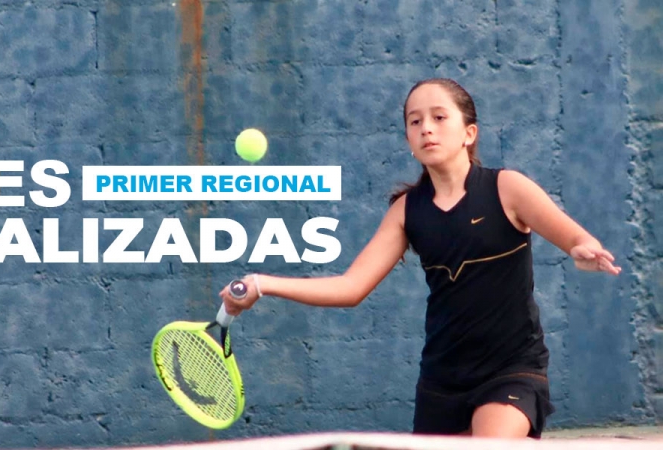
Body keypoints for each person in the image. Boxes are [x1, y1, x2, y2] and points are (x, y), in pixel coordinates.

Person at [219, 78, 622, 439]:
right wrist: (262, 283)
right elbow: (350, 287)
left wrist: (582, 249)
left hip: (511, 368)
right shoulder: (406, 211)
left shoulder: (507, 188)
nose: (426, 127)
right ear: (409, 140)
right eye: (415, 121)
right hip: (442, 379)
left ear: (469, 133)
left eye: (439, 117)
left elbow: (574, 237)